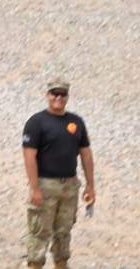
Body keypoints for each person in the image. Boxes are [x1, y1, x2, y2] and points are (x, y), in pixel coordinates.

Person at [22, 79, 95, 269]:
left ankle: (61, 265)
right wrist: (35, 187)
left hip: (69, 186)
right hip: (45, 186)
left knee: (64, 231)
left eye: (63, 94)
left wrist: (90, 185)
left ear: (67, 97)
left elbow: (85, 153)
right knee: (39, 232)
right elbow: (29, 156)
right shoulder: (36, 122)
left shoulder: (76, 122)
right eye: (55, 93)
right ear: (48, 95)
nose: (58, 98)